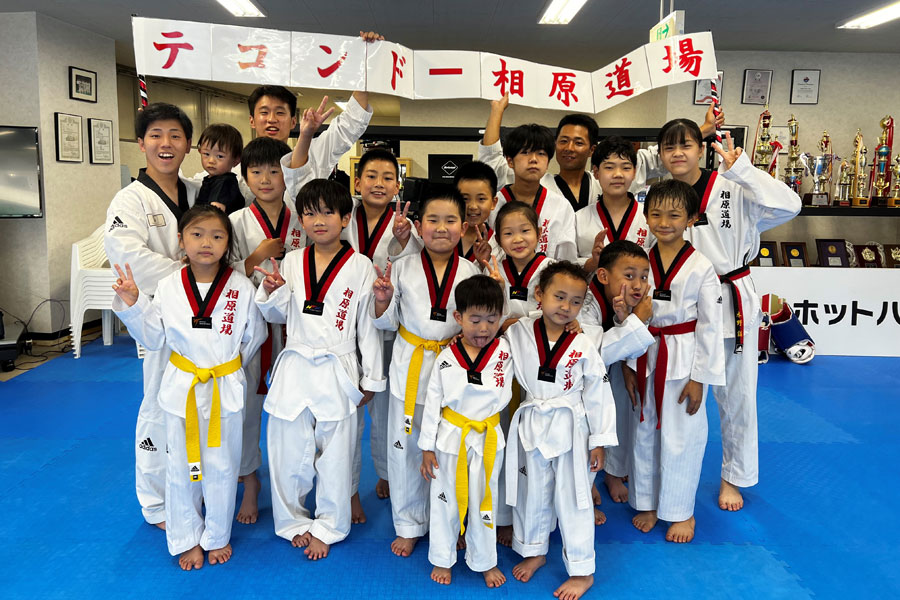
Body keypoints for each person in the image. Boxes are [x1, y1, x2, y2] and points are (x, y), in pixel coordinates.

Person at [651, 119, 801, 511]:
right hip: (680, 304)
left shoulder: (733, 186)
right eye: (669, 147)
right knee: (677, 394)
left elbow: (791, 205)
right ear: (661, 155)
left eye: (686, 144)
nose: (678, 153)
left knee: (737, 394)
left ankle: (733, 476)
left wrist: (744, 171)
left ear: (701, 149)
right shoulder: (659, 198)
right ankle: (669, 474)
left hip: (729, 296)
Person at [111, 204, 267, 570]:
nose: (206, 243)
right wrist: (135, 303)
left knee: (223, 466)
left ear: (227, 243)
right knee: (181, 467)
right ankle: (186, 537)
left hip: (223, 386)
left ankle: (217, 536)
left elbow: (254, 336)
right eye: (197, 235)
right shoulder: (168, 286)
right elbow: (154, 336)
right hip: (182, 387)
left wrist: (227, 369)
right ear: (181, 240)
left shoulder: (241, 287)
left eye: (217, 236)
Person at [254, 179, 384, 561]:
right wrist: (273, 290)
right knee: (286, 448)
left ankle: (329, 525)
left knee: (336, 454)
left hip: (337, 366)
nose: (319, 220)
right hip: (295, 365)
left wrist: (371, 377)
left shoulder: (361, 266)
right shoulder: (292, 261)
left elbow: (367, 326)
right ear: (301, 220)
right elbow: (277, 315)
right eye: (310, 213)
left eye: (328, 212)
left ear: (345, 218)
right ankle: (292, 521)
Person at [371, 189, 492, 558]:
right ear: (418, 226)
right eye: (433, 220)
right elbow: (386, 322)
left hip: (452, 369)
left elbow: (481, 325)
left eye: (450, 220)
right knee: (407, 450)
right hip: (410, 365)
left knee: (448, 451)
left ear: (464, 227)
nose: (441, 228)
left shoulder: (471, 272)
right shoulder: (402, 266)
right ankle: (409, 523)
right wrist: (382, 300)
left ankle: (451, 522)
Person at [104, 102, 199, 530]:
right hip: (161, 315)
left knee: (199, 405)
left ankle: (195, 486)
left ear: (188, 144)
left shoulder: (196, 190)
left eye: (176, 135)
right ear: (141, 143)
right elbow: (127, 257)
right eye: (156, 135)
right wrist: (190, 273)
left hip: (202, 316)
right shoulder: (130, 199)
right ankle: (156, 501)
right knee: (160, 405)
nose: (166, 143)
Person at [504, 261, 616, 600]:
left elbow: (598, 391)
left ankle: (582, 570)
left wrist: (599, 440)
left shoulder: (583, 342)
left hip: (571, 428)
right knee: (532, 491)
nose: (566, 307)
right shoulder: (519, 331)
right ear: (539, 294)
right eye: (559, 297)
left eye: (576, 301)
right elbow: (494, 347)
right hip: (533, 423)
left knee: (574, 499)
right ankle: (534, 549)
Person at [628, 180, 725, 543]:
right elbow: (627, 312)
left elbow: (711, 326)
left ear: (691, 219)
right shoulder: (640, 261)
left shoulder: (702, 266)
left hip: (684, 357)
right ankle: (647, 502)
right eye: (656, 214)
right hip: (646, 350)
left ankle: (681, 511)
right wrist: (627, 364)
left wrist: (700, 378)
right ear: (645, 216)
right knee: (644, 430)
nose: (664, 222)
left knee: (682, 435)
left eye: (674, 215)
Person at [226, 135, 306, 525]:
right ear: (245, 177)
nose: (266, 179)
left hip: (298, 323)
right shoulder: (236, 221)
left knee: (297, 410)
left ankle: (295, 484)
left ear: (287, 174)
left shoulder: (303, 216)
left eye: (274, 170)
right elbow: (223, 275)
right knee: (248, 407)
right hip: (253, 324)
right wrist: (257, 256)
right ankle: (250, 481)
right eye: (256, 172)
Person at [418, 275, 512, 588]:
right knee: (445, 499)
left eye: (491, 320)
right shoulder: (446, 358)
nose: (483, 328)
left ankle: (484, 559)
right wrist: (426, 447)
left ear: (501, 317)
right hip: (451, 438)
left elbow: (540, 321)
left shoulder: (506, 351)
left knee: (485, 500)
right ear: (458, 317)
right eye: (475, 320)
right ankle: (442, 557)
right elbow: (432, 403)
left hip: (488, 438)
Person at [341, 147, 418, 517]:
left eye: (388, 178)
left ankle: (386, 472)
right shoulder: (341, 216)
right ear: (357, 182)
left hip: (387, 325)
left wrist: (403, 241)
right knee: (348, 411)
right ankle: (349, 489)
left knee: (386, 409)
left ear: (397, 186)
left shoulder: (404, 224)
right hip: (345, 327)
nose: (379, 183)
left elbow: (415, 268)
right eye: (371, 176)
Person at [479, 98, 724, 203]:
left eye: (578, 142)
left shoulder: (607, 176)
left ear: (591, 149)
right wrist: (497, 111)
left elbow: (663, 156)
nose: (569, 148)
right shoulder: (536, 181)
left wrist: (704, 130)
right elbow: (492, 162)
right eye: (563, 141)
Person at [579, 241, 654, 504]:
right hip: (581, 377)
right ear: (603, 276)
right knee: (586, 423)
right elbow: (593, 355)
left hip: (613, 368)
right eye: (629, 276)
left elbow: (631, 344)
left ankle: (614, 472)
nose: (638, 285)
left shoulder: (634, 300)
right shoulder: (585, 302)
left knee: (622, 408)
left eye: (643, 277)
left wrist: (625, 319)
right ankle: (586, 483)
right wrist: (635, 321)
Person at [479, 95, 577, 261]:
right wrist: (497, 110)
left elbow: (567, 260)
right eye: (525, 152)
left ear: (548, 162)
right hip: (499, 276)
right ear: (510, 161)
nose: (533, 159)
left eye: (541, 153)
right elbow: (490, 157)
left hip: (547, 277)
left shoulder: (560, 206)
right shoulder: (493, 204)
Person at [576, 136, 654, 274]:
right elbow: (567, 264)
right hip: (593, 288)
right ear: (596, 172)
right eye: (609, 167)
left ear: (634, 172)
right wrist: (592, 263)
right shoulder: (578, 218)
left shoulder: (650, 217)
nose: (618, 174)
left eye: (626, 167)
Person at [454, 161, 501, 263]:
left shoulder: (499, 246)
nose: (473, 206)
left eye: (481, 199)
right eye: (465, 199)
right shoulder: (443, 236)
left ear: (493, 203)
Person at [193, 124, 244, 215]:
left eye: (220, 156)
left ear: (236, 160)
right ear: (200, 151)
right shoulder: (211, 179)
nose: (211, 161)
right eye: (206, 154)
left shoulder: (225, 182)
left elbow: (215, 213)